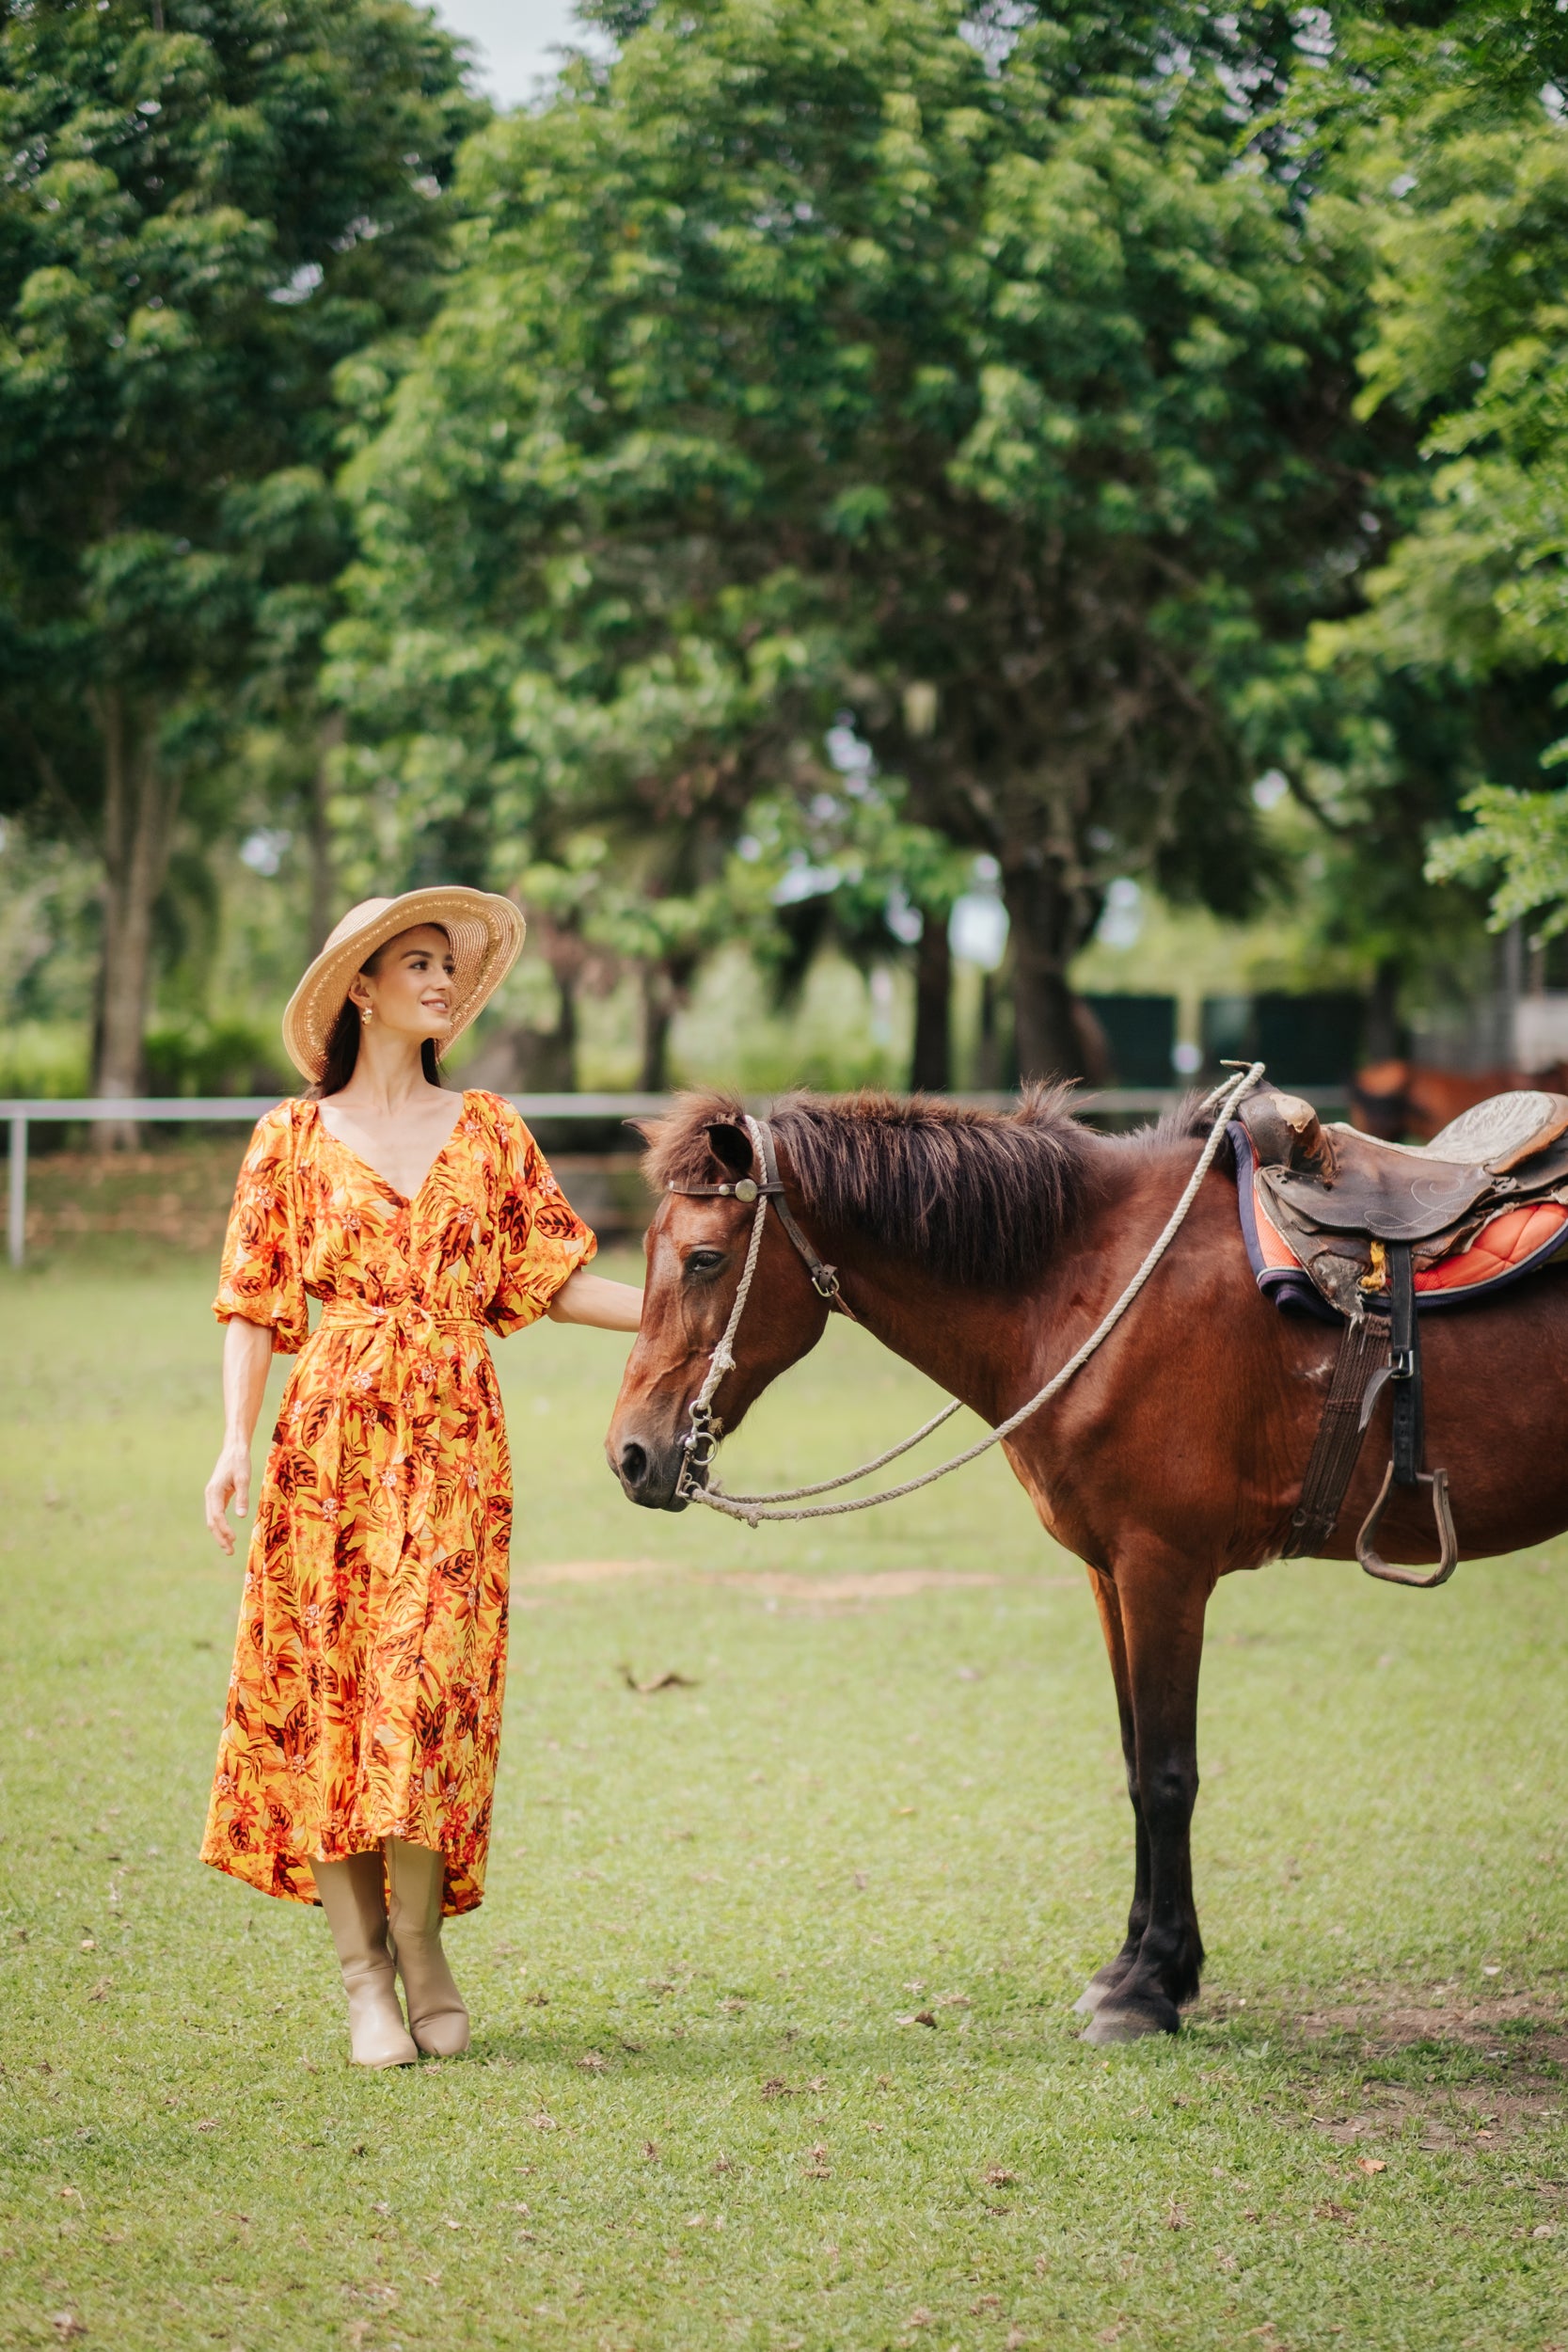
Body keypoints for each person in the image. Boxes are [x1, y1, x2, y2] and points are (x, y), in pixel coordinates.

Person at [200, 889, 642, 2067]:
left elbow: (548, 1282)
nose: (443, 981)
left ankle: (423, 1942)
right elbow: (254, 1300)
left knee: (433, 1697)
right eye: (418, 961)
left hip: (453, 1444)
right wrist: (235, 1439)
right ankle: (362, 1981)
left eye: (450, 964)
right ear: (361, 986)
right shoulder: (286, 1141)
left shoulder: (490, 1128)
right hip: (327, 1448)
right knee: (333, 1699)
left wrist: (681, 1323)